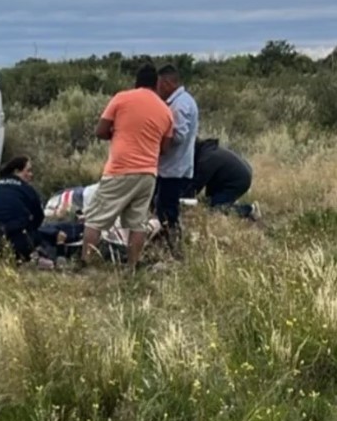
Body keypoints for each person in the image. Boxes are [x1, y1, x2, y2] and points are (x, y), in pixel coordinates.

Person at [79, 64, 174, 270]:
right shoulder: (166, 110)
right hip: (148, 174)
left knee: (96, 218)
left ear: (136, 81)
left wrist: (117, 134)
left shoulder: (122, 98)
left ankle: (86, 262)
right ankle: (132, 266)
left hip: (120, 169)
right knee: (137, 223)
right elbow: (164, 148)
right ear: (156, 83)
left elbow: (100, 130)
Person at [155, 64, 200, 257]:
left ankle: (174, 247)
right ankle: (168, 242)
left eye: (159, 84)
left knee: (167, 208)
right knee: (164, 206)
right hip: (176, 165)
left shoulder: (180, 105)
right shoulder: (183, 100)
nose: (158, 89)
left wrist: (159, 140)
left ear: (167, 83)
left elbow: (179, 135)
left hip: (173, 168)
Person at [187, 138, 260, 220]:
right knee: (207, 201)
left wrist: (179, 198)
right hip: (232, 176)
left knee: (215, 208)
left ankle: (250, 209)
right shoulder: (207, 151)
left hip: (239, 180)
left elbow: (195, 187)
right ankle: (227, 201)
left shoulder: (206, 159)